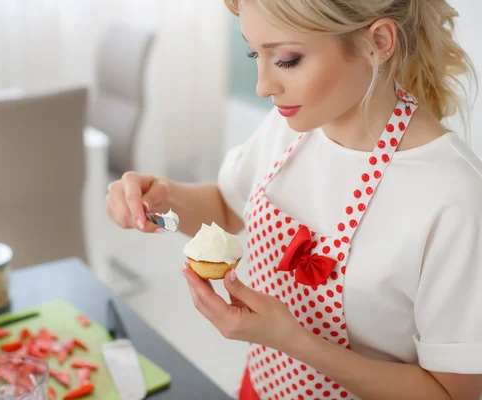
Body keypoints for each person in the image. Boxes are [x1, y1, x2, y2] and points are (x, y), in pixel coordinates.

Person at [105, 0, 482, 398]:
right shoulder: (292, 124)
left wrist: (295, 341)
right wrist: (162, 199)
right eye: (255, 52)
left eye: (286, 59)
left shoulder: (452, 197)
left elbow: (452, 393)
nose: (262, 86)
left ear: (378, 42)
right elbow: (227, 207)